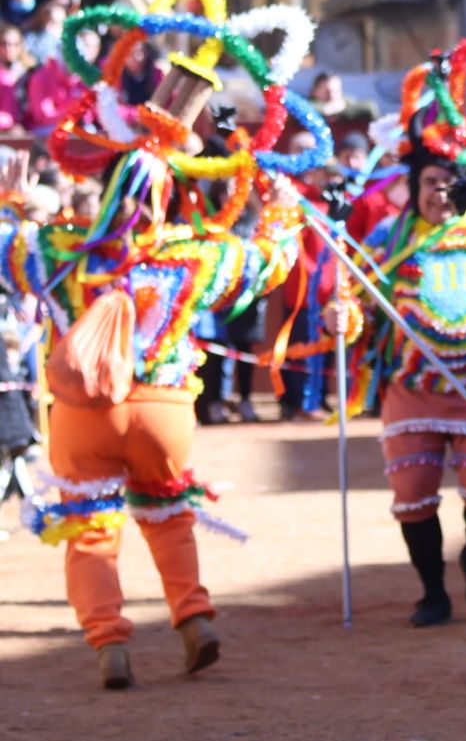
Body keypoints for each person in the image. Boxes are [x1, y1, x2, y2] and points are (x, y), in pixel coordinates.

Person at [1, 133, 305, 689]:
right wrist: (280, 209)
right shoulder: (190, 255)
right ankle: (192, 617)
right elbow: (268, 262)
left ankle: (109, 642)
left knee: (91, 531)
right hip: (163, 414)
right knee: (168, 518)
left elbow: (8, 252)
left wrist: (11, 204)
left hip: (86, 413)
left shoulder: (63, 249)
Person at [356, 101, 466, 628]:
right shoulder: (386, 239)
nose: (440, 193)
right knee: (412, 493)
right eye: (431, 181)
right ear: (413, 185)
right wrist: (341, 313)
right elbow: (351, 298)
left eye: (450, 183)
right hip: (412, 386)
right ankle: (432, 591)